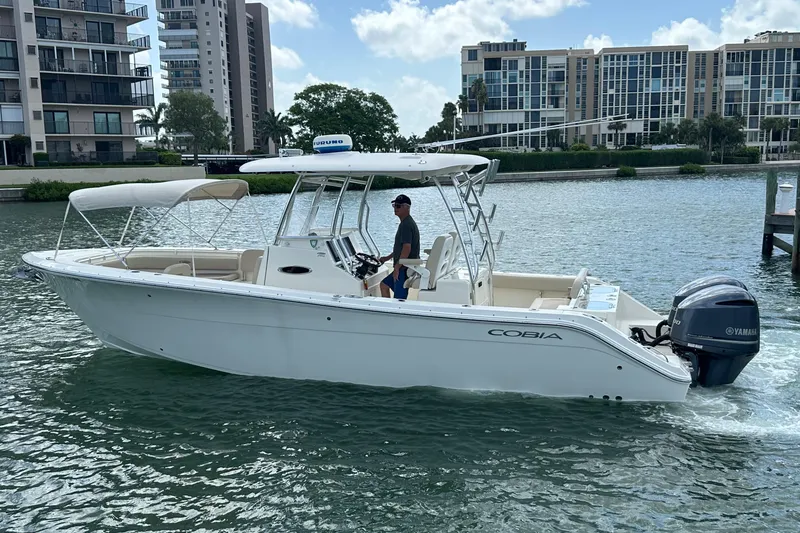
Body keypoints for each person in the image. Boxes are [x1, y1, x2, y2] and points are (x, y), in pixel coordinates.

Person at [379, 194, 420, 299]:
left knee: (399, 300)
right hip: (403, 265)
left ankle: (395, 313)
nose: (395, 208)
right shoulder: (405, 223)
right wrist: (387, 258)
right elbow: (401, 248)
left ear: (407, 207)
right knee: (384, 285)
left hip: (404, 267)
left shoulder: (406, 225)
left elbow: (407, 248)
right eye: (394, 205)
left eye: (398, 206)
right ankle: (387, 311)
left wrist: (397, 267)